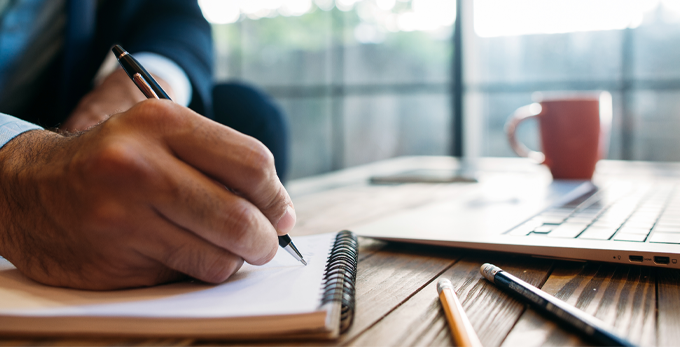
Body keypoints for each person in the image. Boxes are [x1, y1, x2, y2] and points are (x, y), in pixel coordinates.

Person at [0, 0, 294, 290]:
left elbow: (173, 15)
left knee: (248, 114)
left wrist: (128, 93)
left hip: (63, 113)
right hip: (22, 135)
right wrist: (16, 175)